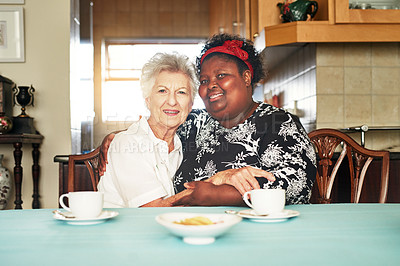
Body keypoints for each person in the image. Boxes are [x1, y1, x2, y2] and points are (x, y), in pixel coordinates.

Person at [99, 33, 316, 207]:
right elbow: (154, 131)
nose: (211, 84)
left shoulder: (278, 123)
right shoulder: (195, 123)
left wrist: (216, 194)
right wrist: (118, 137)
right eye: (204, 79)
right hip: (191, 231)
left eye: (221, 75)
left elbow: (296, 185)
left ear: (246, 77)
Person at [97, 52, 197, 208]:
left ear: (190, 105)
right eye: (162, 91)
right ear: (148, 100)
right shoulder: (127, 143)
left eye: (181, 92)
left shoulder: (180, 145)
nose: (172, 101)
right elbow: (152, 210)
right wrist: (208, 188)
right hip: (125, 231)